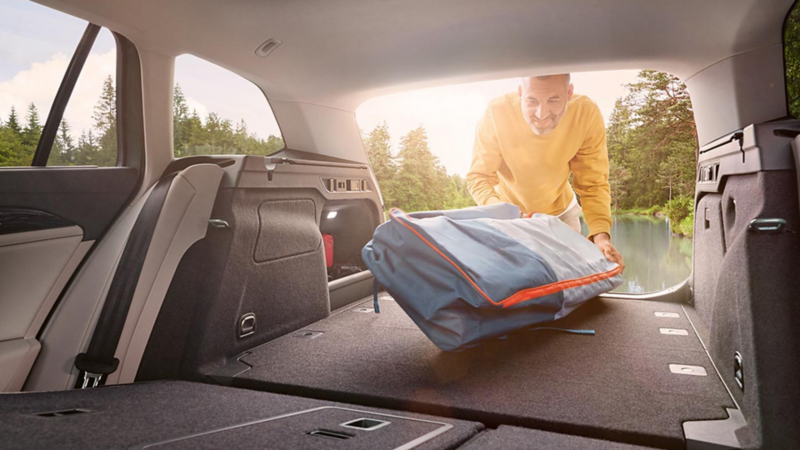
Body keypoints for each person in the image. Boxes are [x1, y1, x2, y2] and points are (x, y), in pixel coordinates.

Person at [467, 74, 624, 269]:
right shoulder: (495, 114)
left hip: (561, 215)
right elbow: (479, 177)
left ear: (568, 93)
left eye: (553, 100)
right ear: (520, 93)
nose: (541, 114)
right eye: (532, 100)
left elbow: (593, 184)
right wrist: (506, 213)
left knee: (571, 279)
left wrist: (601, 236)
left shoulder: (586, 113)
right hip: (509, 218)